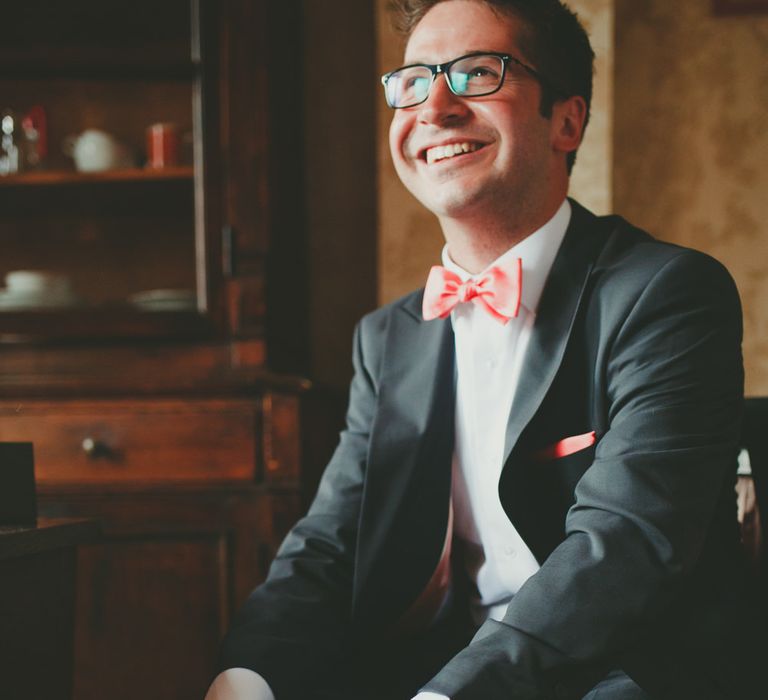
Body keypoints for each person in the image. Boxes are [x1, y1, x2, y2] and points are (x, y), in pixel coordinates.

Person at [206, 1, 764, 698]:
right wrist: (244, 679)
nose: (434, 105)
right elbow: (329, 545)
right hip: (448, 664)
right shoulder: (388, 337)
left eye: (476, 73)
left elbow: (623, 548)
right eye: (412, 81)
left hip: (629, 668)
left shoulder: (667, 294)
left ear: (567, 119)